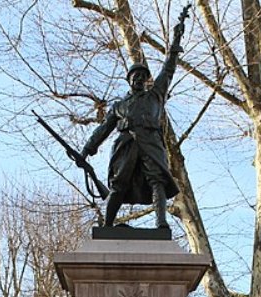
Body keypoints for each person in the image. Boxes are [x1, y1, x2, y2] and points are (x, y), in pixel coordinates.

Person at [78, 7, 189, 228]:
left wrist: (176, 40)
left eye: (142, 76)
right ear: (129, 80)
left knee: (157, 180)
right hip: (126, 146)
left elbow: (168, 70)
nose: (139, 78)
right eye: (135, 76)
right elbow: (103, 130)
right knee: (119, 185)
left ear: (147, 79)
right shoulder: (119, 106)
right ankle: (107, 225)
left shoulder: (156, 96)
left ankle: (161, 224)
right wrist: (86, 150)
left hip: (151, 143)